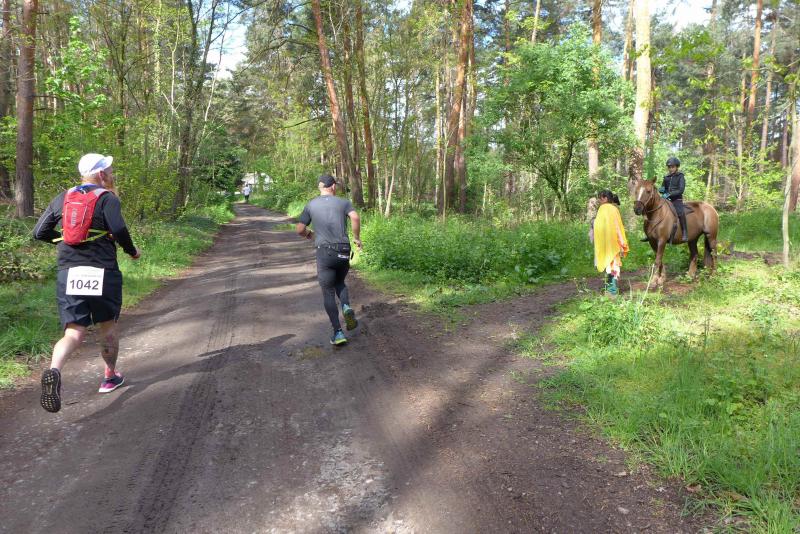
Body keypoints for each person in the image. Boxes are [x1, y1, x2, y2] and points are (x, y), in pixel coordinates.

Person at [32, 153, 141, 413]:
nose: (111, 174)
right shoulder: (107, 198)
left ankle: (54, 370)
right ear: (101, 174)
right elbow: (119, 229)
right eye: (109, 170)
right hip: (102, 270)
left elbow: (39, 232)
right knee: (107, 326)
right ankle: (110, 377)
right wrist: (132, 251)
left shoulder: (63, 197)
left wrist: (65, 240)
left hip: (68, 271)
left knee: (73, 332)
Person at [296, 174, 362, 345]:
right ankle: (346, 306)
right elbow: (355, 217)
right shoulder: (344, 202)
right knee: (340, 281)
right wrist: (356, 238)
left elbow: (300, 229)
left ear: (320, 187)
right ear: (333, 186)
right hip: (343, 249)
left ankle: (338, 333)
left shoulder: (311, 204)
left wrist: (309, 234)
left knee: (328, 291)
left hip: (325, 252)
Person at [593, 190, 629, 296]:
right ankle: (611, 290)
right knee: (613, 265)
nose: (599, 200)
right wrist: (622, 242)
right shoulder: (613, 209)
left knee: (609, 266)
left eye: (600, 198)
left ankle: (611, 291)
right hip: (613, 244)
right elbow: (618, 227)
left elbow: (599, 227)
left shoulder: (602, 209)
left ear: (605, 198)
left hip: (604, 244)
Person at [661, 156, 687, 242]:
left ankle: (684, 232)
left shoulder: (680, 176)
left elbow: (681, 190)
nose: (671, 169)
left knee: (680, 212)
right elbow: (663, 187)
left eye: (672, 167)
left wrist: (669, 194)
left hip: (677, 200)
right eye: (669, 167)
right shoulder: (666, 177)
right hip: (666, 199)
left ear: (676, 167)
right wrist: (662, 190)